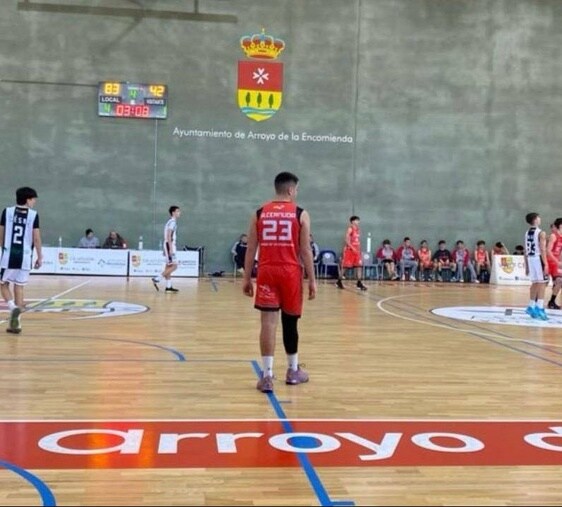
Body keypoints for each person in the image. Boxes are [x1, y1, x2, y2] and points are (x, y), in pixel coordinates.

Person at [242, 171, 316, 393]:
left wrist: (246, 277)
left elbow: (251, 248)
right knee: (290, 322)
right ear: (291, 190)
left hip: (267, 270)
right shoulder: (301, 214)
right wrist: (312, 279)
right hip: (290, 272)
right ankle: (293, 371)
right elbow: (305, 250)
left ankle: (266, 376)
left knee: (268, 323)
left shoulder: (259, 213)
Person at [0, 187, 43, 334]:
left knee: (3, 284)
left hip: (9, 255)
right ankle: (16, 324)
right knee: (19, 287)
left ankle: (13, 308)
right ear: (27, 199)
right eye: (33, 199)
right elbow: (36, 238)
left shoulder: (7, 212)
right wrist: (40, 256)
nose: (34, 202)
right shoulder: (33, 215)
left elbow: (1, 234)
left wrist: (3, 249)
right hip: (25, 257)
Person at [524, 212, 549, 320]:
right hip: (538, 258)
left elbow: (525, 250)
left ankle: (531, 306)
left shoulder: (527, 232)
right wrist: (546, 263)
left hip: (530, 258)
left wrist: (526, 266)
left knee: (535, 283)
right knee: (542, 283)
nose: (540, 219)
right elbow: (543, 249)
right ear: (535, 219)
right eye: (539, 217)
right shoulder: (541, 233)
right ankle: (539, 307)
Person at [152, 206, 181, 292]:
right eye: (178, 211)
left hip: (168, 244)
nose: (179, 213)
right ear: (173, 212)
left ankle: (168, 287)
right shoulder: (172, 222)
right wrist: (170, 249)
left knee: (168, 266)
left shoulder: (170, 222)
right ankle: (157, 278)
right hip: (170, 244)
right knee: (175, 266)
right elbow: (169, 235)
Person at [335, 216, 367, 290]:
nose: (358, 222)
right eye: (356, 220)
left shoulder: (358, 230)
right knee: (346, 267)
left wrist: (358, 249)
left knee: (359, 266)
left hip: (357, 251)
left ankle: (359, 283)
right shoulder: (350, 229)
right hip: (350, 251)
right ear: (352, 221)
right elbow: (346, 240)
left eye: (358, 220)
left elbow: (357, 241)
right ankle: (339, 281)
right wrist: (352, 248)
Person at [546, 218, 562, 310]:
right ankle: (536, 301)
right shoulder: (553, 236)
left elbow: (559, 251)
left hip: (555, 263)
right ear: (560, 225)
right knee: (543, 283)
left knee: (559, 281)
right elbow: (548, 251)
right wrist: (557, 262)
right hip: (549, 261)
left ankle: (551, 302)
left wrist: (559, 261)